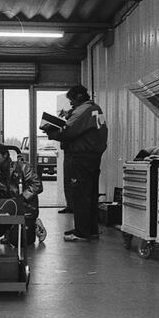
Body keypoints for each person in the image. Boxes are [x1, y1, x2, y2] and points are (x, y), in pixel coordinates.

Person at [42, 85, 107, 242]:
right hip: (93, 156)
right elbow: (84, 126)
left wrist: (50, 131)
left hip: (81, 157)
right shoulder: (96, 109)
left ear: (79, 97)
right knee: (90, 194)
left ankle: (81, 232)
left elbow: (68, 130)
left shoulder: (83, 111)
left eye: (71, 99)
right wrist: (69, 115)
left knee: (80, 194)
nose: (70, 103)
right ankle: (90, 230)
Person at [0, 145, 46, 246]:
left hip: (26, 210)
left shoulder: (23, 167)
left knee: (20, 242)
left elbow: (37, 185)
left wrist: (21, 198)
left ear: (5, 155)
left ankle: (34, 224)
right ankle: (9, 232)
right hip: (6, 210)